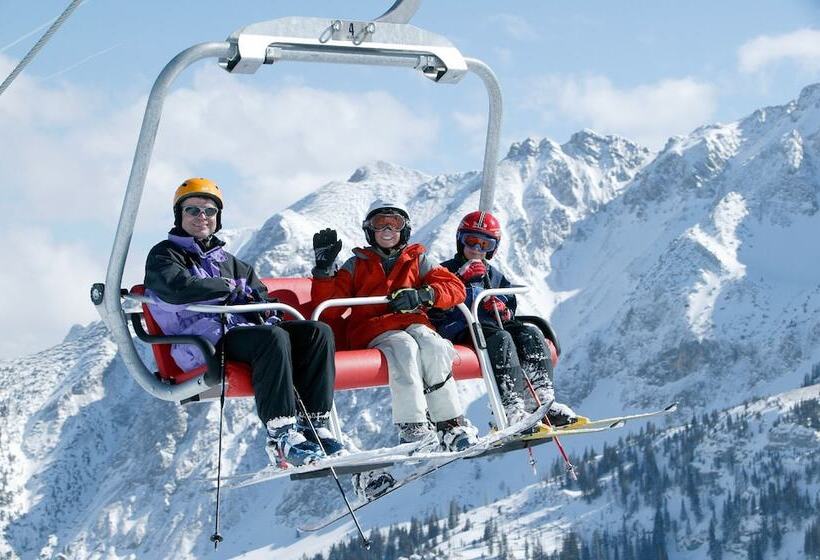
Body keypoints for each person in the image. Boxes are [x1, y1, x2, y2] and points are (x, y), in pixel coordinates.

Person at [144, 177, 345, 468]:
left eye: (209, 211)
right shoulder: (165, 255)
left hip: (239, 332)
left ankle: (314, 425)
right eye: (193, 210)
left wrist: (265, 313)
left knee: (316, 332)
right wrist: (225, 288)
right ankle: (281, 434)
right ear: (180, 215)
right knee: (271, 339)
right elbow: (177, 288)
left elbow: (259, 294)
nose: (202, 217)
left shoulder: (230, 261)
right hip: (201, 341)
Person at [310, 199, 479, 454]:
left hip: (414, 323)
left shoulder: (417, 259)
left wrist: (425, 295)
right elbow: (330, 308)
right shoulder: (357, 265)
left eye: (395, 223)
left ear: (405, 229)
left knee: (434, 344)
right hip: (373, 329)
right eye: (380, 224)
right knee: (404, 347)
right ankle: (412, 427)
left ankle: (449, 423)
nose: (388, 230)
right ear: (370, 230)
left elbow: (455, 288)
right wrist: (324, 272)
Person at [432, 210, 577, 427]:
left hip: (491, 326)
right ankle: (511, 409)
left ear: (493, 249)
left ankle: (543, 401)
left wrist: (501, 307)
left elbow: (509, 303)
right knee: (501, 339)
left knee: (530, 333)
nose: (476, 250)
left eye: (485, 245)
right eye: (471, 241)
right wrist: (460, 281)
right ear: (459, 240)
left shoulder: (494, 276)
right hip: (461, 327)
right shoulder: (445, 271)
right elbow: (435, 305)